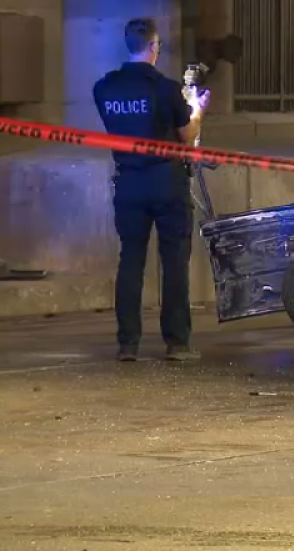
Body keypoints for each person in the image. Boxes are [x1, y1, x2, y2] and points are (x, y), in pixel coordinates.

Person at [93, 18, 210, 362]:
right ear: (154, 46)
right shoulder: (165, 88)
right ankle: (177, 342)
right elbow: (187, 134)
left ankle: (127, 343)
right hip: (166, 182)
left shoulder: (104, 88)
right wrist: (198, 110)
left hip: (128, 182)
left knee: (130, 260)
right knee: (174, 261)